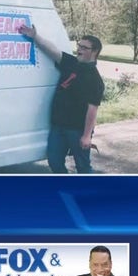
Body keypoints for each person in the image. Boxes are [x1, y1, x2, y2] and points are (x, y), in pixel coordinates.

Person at [18, 24, 105, 174]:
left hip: (77, 130)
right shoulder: (71, 63)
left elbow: (92, 110)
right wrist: (35, 36)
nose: (79, 49)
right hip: (58, 127)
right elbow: (53, 51)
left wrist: (86, 136)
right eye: (79, 46)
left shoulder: (95, 80)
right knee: (54, 161)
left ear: (95, 52)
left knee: (83, 167)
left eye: (84, 48)